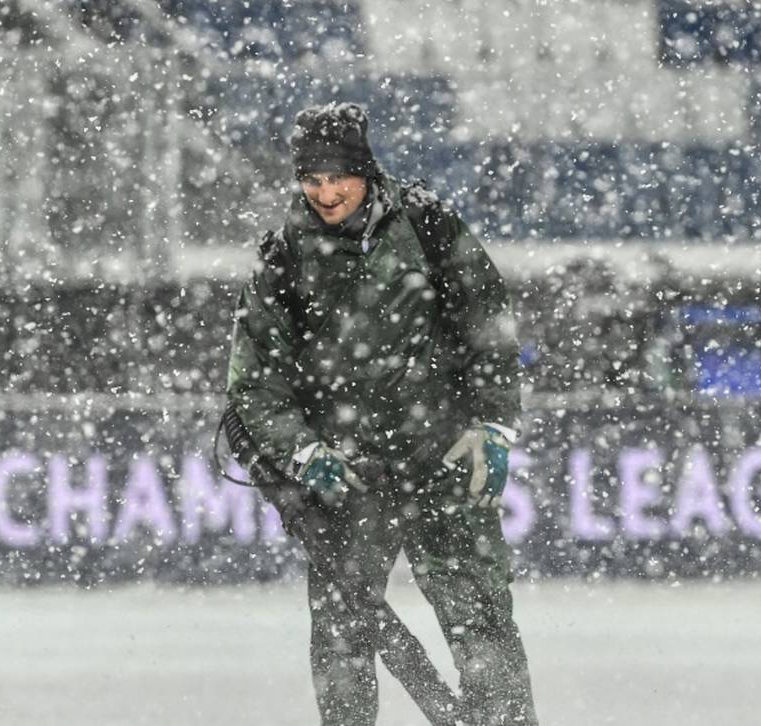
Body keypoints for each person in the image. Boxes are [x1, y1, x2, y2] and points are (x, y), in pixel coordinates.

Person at [225, 101, 538, 726]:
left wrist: (495, 424)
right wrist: (304, 452)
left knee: (480, 621)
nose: (325, 192)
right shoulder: (283, 253)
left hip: (444, 457)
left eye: (338, 175)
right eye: (311, 179)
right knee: (342, 641)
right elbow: (254, 384)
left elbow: (488, 328)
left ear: (366, 171)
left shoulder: (429, 223)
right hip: (348, 475)